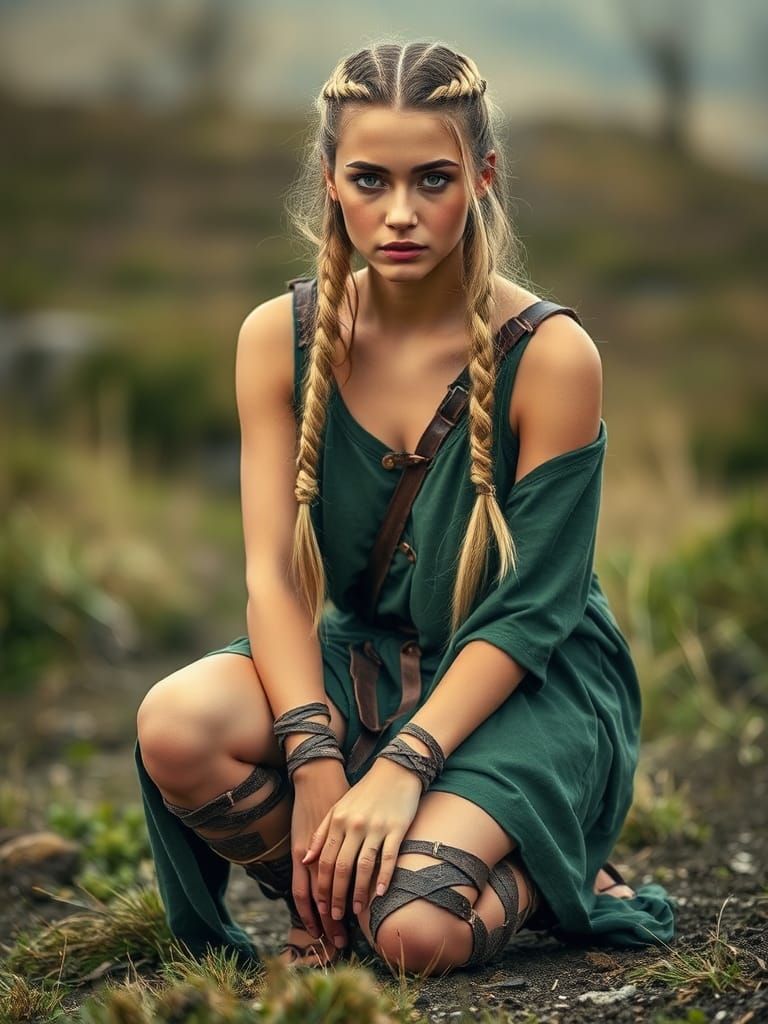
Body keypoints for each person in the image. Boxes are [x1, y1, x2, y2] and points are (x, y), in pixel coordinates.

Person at [135, 40, 676, 975]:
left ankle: (550, 869)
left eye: (433, 179)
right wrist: (313, 761)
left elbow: (533, 610)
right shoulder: (277, 338)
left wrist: (402, 764)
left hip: (526, 681)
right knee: (176, 724)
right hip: (366, 664)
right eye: (369, 180)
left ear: (483, 177)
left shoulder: (553, 356)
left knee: (414, 937)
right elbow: (274, 577)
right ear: (330, 181)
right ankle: (343, 886)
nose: (399, 214)